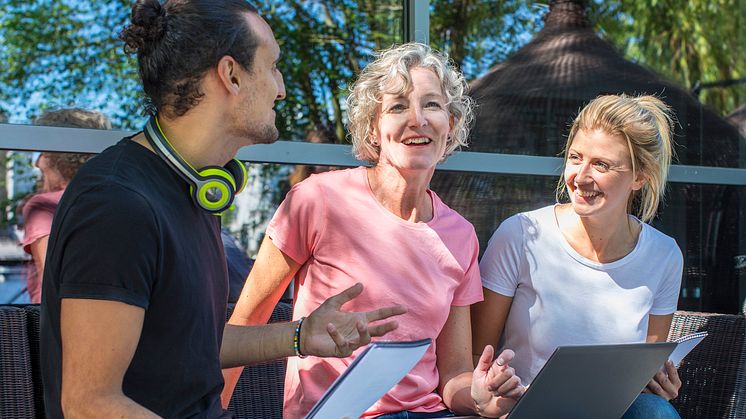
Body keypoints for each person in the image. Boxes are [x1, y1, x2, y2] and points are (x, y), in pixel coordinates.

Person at [39, 1, 405, 418]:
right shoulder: (116, 204)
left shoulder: (193, 191)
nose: (281, 88)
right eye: (272, 67)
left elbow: (188, 345)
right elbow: (90, 404)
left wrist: (301, 335)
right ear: (231, 75)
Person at [224, 43, 525, 419]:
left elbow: (453, 377)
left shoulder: (460, 235)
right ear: (372, 127)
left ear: (451, 124)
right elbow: (246, 322)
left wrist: (481, 396)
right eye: (398, 107)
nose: (418, 119)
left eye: (432, 105)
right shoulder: (317, 200)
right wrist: (213, 411)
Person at [473, 94, 683, 418]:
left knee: (656, 410)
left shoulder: (664, 255)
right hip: (523, 410)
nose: (581, 177)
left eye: (601, 164)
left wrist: (659, 386)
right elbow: (477, 358)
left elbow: (642, 375)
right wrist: (493, 386)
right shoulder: (521, 234)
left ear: (639, 177)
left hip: (609, 412)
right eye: (575, 157)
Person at [19, 108, 111, 303]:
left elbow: (52, 282)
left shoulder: (42, 206)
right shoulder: (110, 198)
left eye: (43, 152)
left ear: (61, 158)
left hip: (55, 324)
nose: (37, 163)